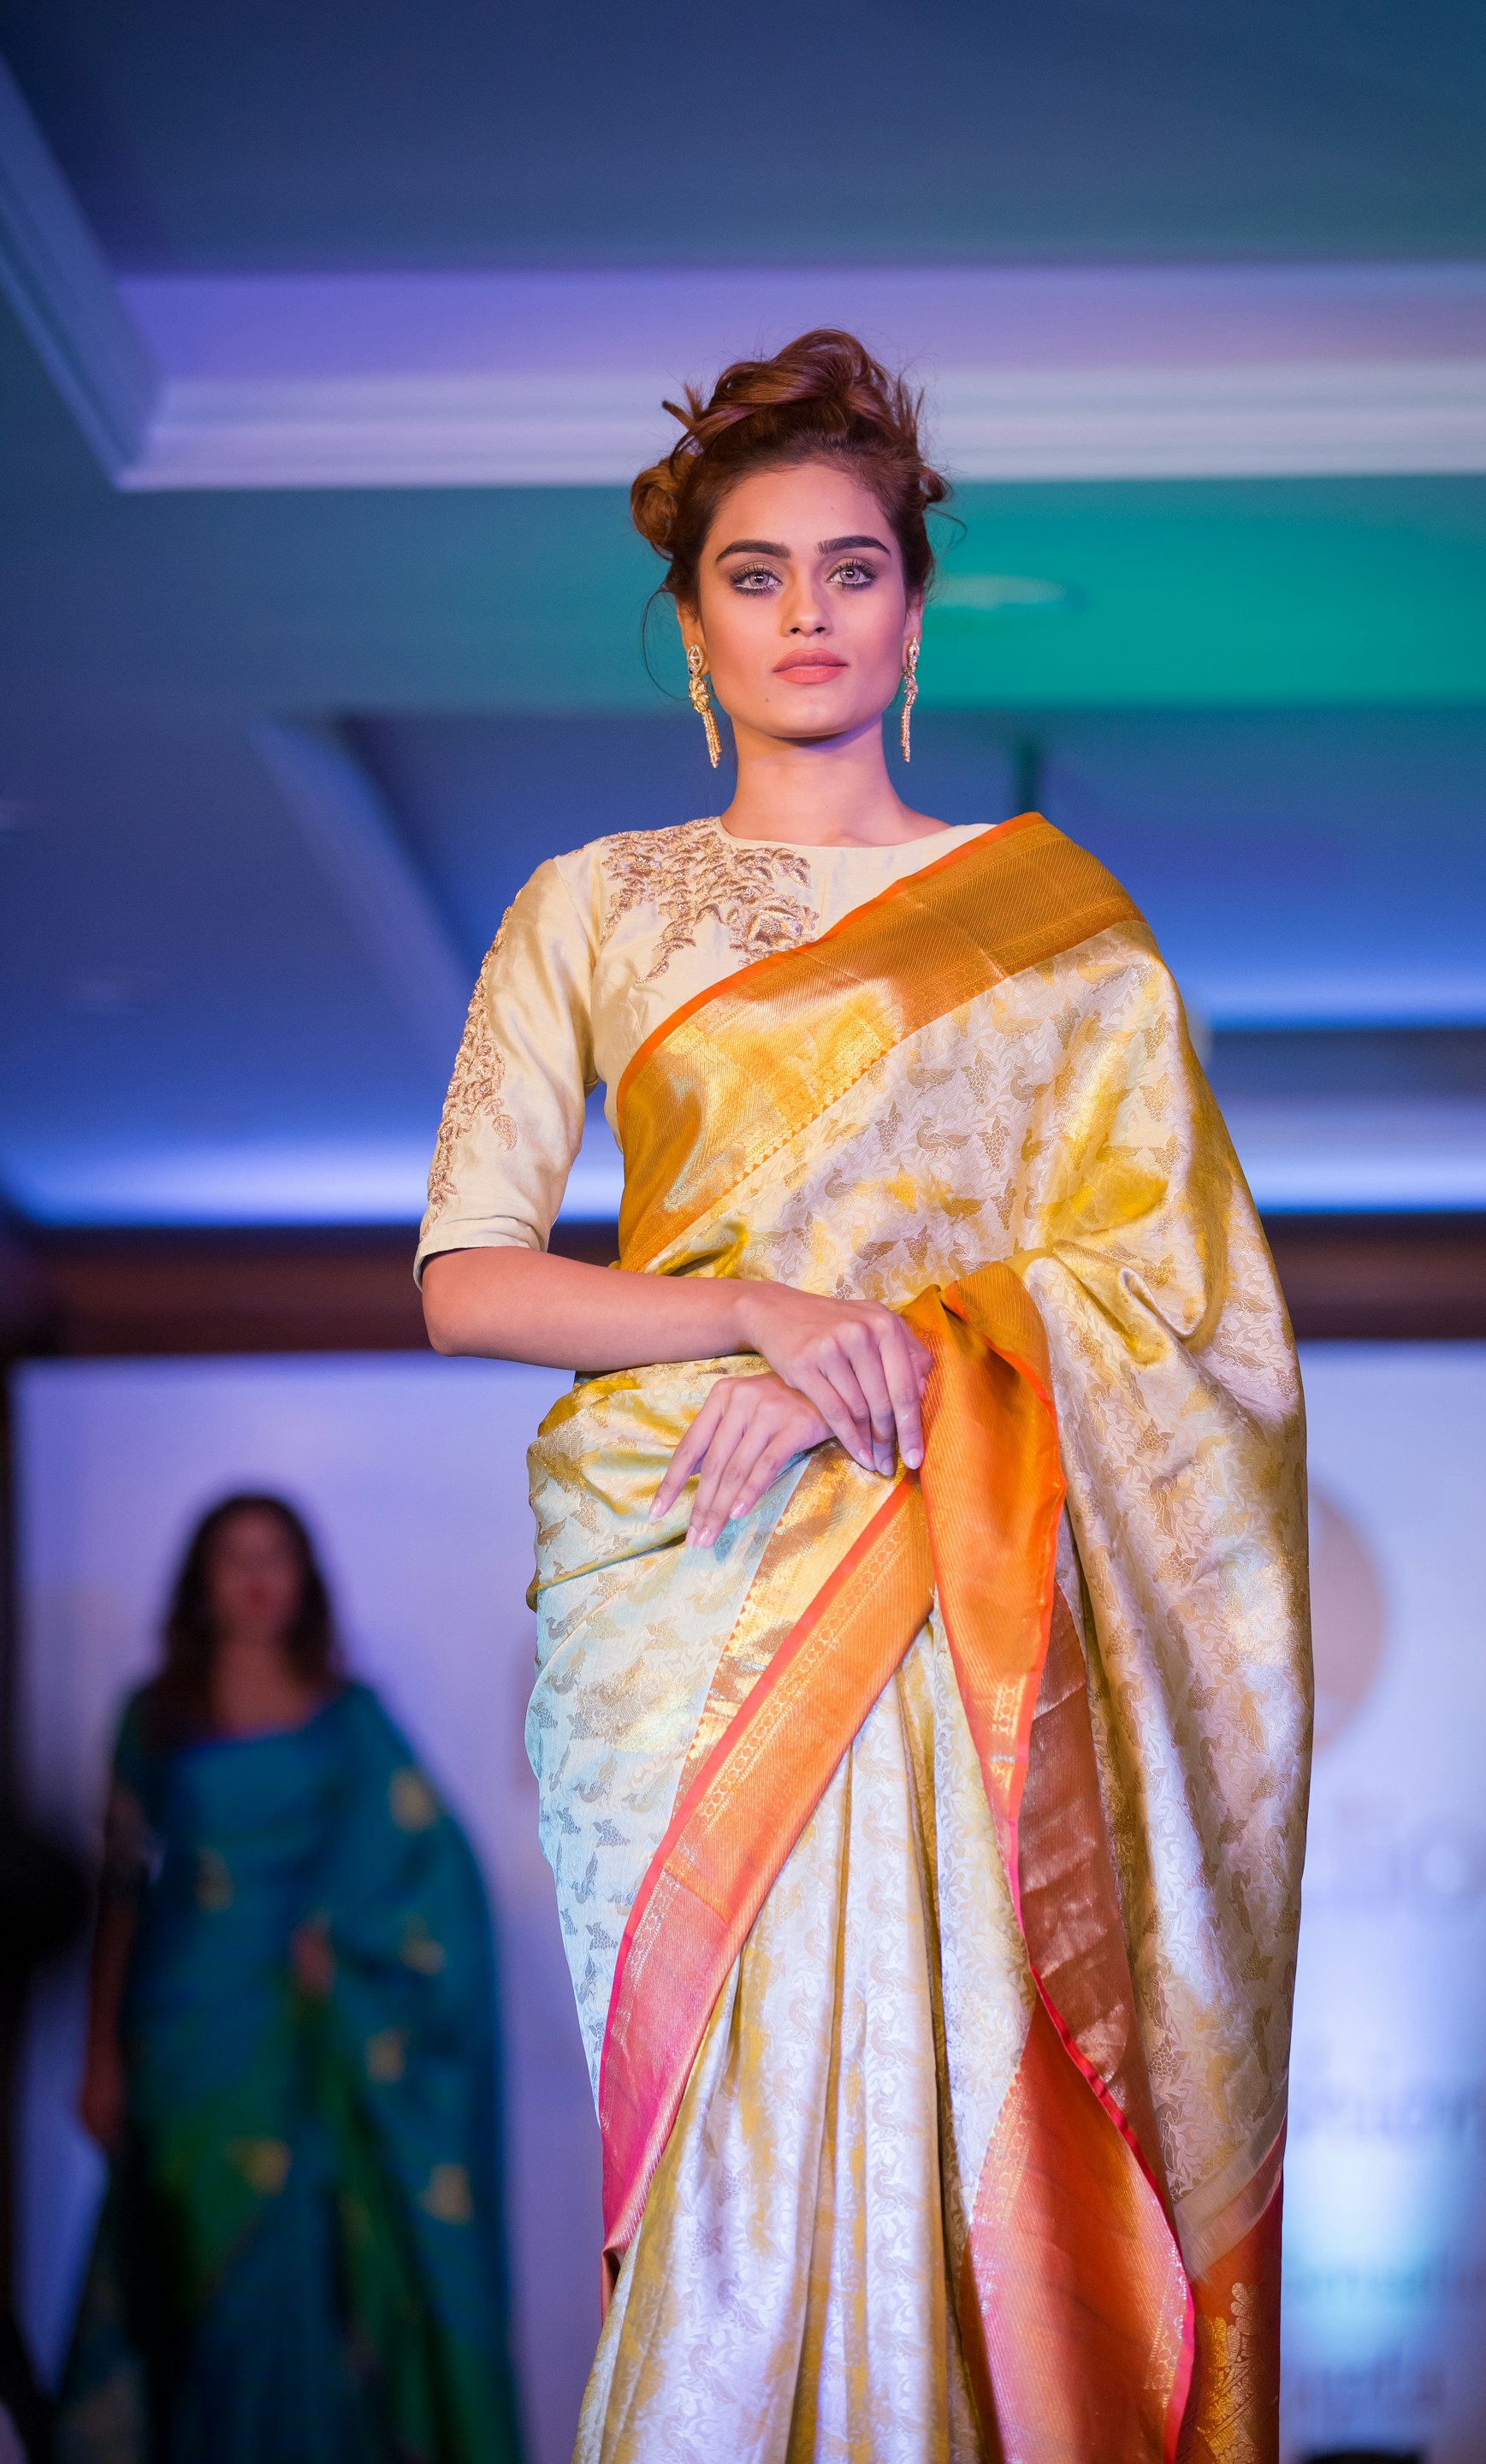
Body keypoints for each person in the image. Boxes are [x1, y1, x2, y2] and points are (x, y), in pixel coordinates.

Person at [419, 329, 1311, 2463]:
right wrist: (760, 1321)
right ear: (689, 623)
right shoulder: (595, 908)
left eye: (849, 569)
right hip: (697, 1578)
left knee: (967, 2083)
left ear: (913, 607)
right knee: (740, 2147)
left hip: (970, 1593)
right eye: (756, 574)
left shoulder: (1068, 931)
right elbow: (465, 1281)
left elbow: (1192, 1313)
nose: (806, 614)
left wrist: (907, 1357)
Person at [58, 1496, 521, 2464]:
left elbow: (433, 1870)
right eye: (235, 1559)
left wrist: (348, 1943)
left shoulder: (347, 1718)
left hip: (300, 2035)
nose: (258, 1578)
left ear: (307, 1577)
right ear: (202, 1582)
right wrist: (98, 2055)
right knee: (180, 2268)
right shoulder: (155, 1716)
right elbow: (120, 1892)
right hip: (184, 2030)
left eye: (277, 1557)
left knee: (300, 2270)